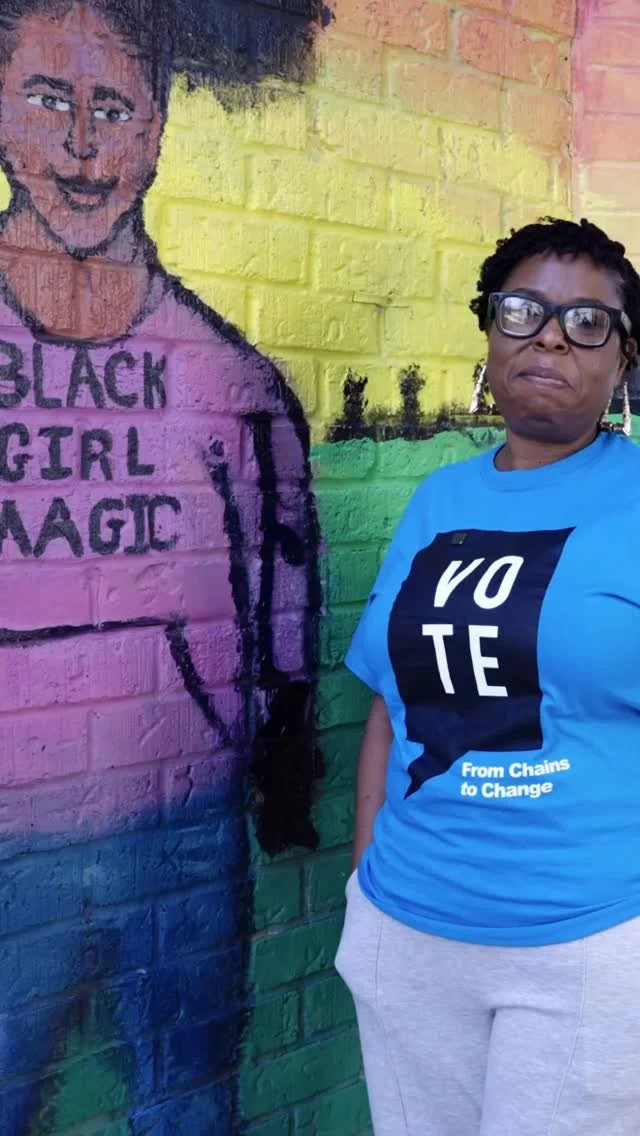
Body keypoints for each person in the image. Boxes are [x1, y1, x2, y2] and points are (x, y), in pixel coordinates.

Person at [0, 1, 321, 1131]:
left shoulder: (234, 384)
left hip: (183, 831)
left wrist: (284, 772)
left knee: (189, 1107)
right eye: (49, 98)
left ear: (157, 130)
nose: (81, 144)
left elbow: (286, 606)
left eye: (114, 108)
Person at [336, 216, 640, 1136]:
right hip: (406, 926)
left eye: (587, 321)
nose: (550, 337)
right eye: (523, 311)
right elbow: (391, 705)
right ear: (491, 333)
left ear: (624, 359)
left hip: (590, 941)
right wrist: (364, 881)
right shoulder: (441, 500)